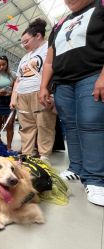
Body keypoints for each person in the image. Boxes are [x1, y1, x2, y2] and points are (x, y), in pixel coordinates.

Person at [39, 0, 104, 206]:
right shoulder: (59, 24)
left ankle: (96, 179)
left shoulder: (100, 6)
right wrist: (44, 87)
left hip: (92, 74)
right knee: (70, 125)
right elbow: (49, 61)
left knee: (91, 123)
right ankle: (76, 166)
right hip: (63, 82)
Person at [10, 18, 56, 162]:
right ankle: (28, 154)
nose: (24, 45)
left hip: (40, 92)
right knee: (26, 127)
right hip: (22, 94)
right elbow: (18, 79)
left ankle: (44, 156)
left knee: (44, 124)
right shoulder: (24, 57)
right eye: (22, 43)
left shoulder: (49, 47)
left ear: (38, 36)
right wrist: (13, 98)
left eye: (26, 41)